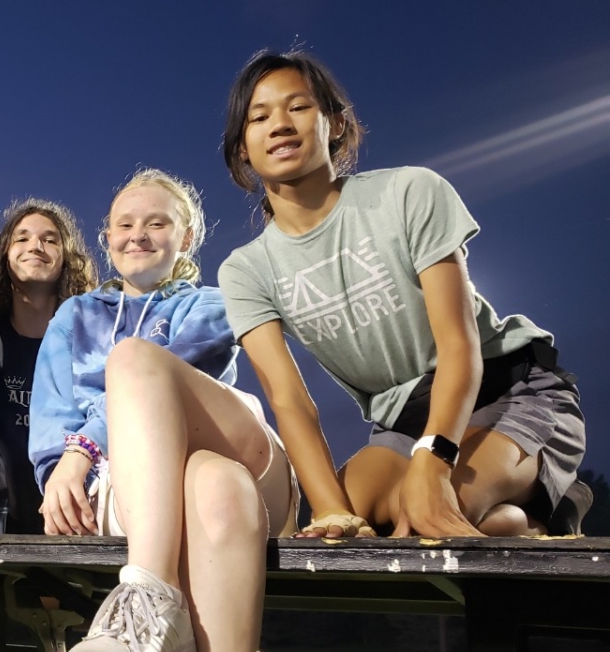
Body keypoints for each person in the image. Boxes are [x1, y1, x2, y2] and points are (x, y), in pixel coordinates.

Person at [216, 50, 588, 539]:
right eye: (259, 117)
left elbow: (458, 344)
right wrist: (331, 511)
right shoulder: (245, 270)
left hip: (506, 390)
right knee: (344, 531)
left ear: (335, 123)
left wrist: (434, 458)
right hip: (402, 423)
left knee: (424, 520)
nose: (280, 124)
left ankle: (533, 493)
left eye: (299, 107)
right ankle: (519, 519)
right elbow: (289, 401)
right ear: (242, 148)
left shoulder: (409, 192)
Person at [30, 169, 298, 652]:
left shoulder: (212, 303)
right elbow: (51, 417)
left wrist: (81, 450)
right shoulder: (75, 315)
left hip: (241, 449)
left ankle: (147, 594)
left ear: (188, 236)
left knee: (132, 361)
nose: (138, 235)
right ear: (106, 238)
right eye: (124, 224)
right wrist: (60, 469)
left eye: (157, 223)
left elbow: (167, 376)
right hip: (144, 491)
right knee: (219, 491)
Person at [0, 198, 98, 532]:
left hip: (78, 510)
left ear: (67, 257)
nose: (35, 246)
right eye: (22, 238)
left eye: (50, 239)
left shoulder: (90, 340)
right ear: (5, 254)